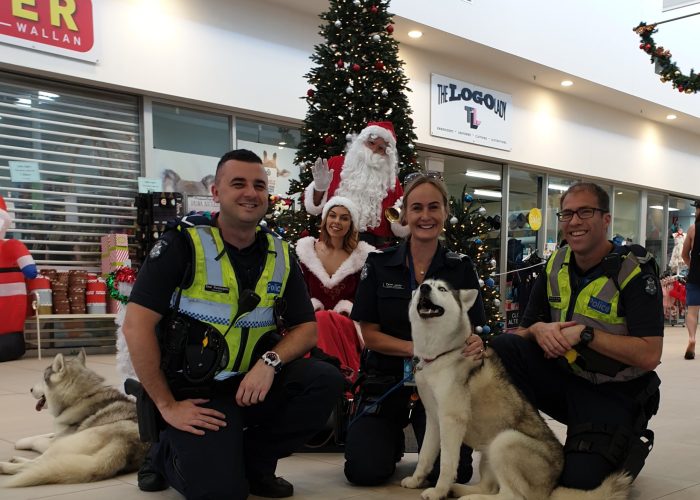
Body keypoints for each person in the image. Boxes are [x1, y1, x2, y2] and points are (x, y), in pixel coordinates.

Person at [122, 149, 344, 500]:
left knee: (324, 380)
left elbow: (306, 329)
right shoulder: (182, 244)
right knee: (223, 493)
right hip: (196, 390)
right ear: (216, 193)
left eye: (259, 185)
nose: (250, 193)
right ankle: (164, 450)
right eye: (237, 183)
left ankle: (255, 466)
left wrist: (269, 363)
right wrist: (167, 405)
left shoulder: (281, 253)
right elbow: (136, 326)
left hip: (252, 382)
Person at [489, 182, 662, 490]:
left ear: (606, 220)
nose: (574, 221)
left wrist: (585, 334)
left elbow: (650, 354)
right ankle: (530, 441)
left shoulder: (633, 272)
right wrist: (540, 329)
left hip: (614, 392)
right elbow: (524, 332)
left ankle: (620, 441)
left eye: (585, 212)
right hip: (567, 380)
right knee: (504, 346)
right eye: (567, 213)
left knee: (579, 484)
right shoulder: (556, 264)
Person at [344, 174, 486, 486]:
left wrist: (476, 342)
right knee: (364, 471)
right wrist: (417, 351)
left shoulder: (460, 267)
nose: (425, 216)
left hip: (441, 386)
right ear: (405, 213)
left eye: (433, 207)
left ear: (445, 212)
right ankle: (388, 437)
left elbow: (471, 329)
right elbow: (370, 335)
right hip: (387, 380)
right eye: (417, 208)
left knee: (450, 475)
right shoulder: (378, 264)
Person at [295, 196, 375, 382]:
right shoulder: (308, 251)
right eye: (333, 216)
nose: (337, 222)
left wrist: (346, 308)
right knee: (321, 319)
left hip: (348, 325)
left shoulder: (362, 257)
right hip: (311, 322)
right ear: (325, 219)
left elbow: (366, 298)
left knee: (325, 319)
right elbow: (299, 292)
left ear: (351, 223)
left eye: (344, 218)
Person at [304, 121, 410, 246]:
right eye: (371, 143)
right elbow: (313, 209)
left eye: (381, 148)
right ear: (361, 141)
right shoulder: (336, 164)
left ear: (387, 154)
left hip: (372, 251)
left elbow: (400, 226)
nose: (373, 150)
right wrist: (319, 188)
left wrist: (404, 213)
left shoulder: (391, 182)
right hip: (331, 245)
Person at [0, 194, 37, 362]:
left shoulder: (11, 245)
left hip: (10, 304)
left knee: (9, 327)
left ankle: (11, 343)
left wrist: (29, 268)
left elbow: (29, 268)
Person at [680, 200, 700, 360]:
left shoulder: (693, 229)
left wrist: (692, 266)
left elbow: (684, 254)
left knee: (692, 310)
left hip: (695, 275)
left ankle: (692, 338)